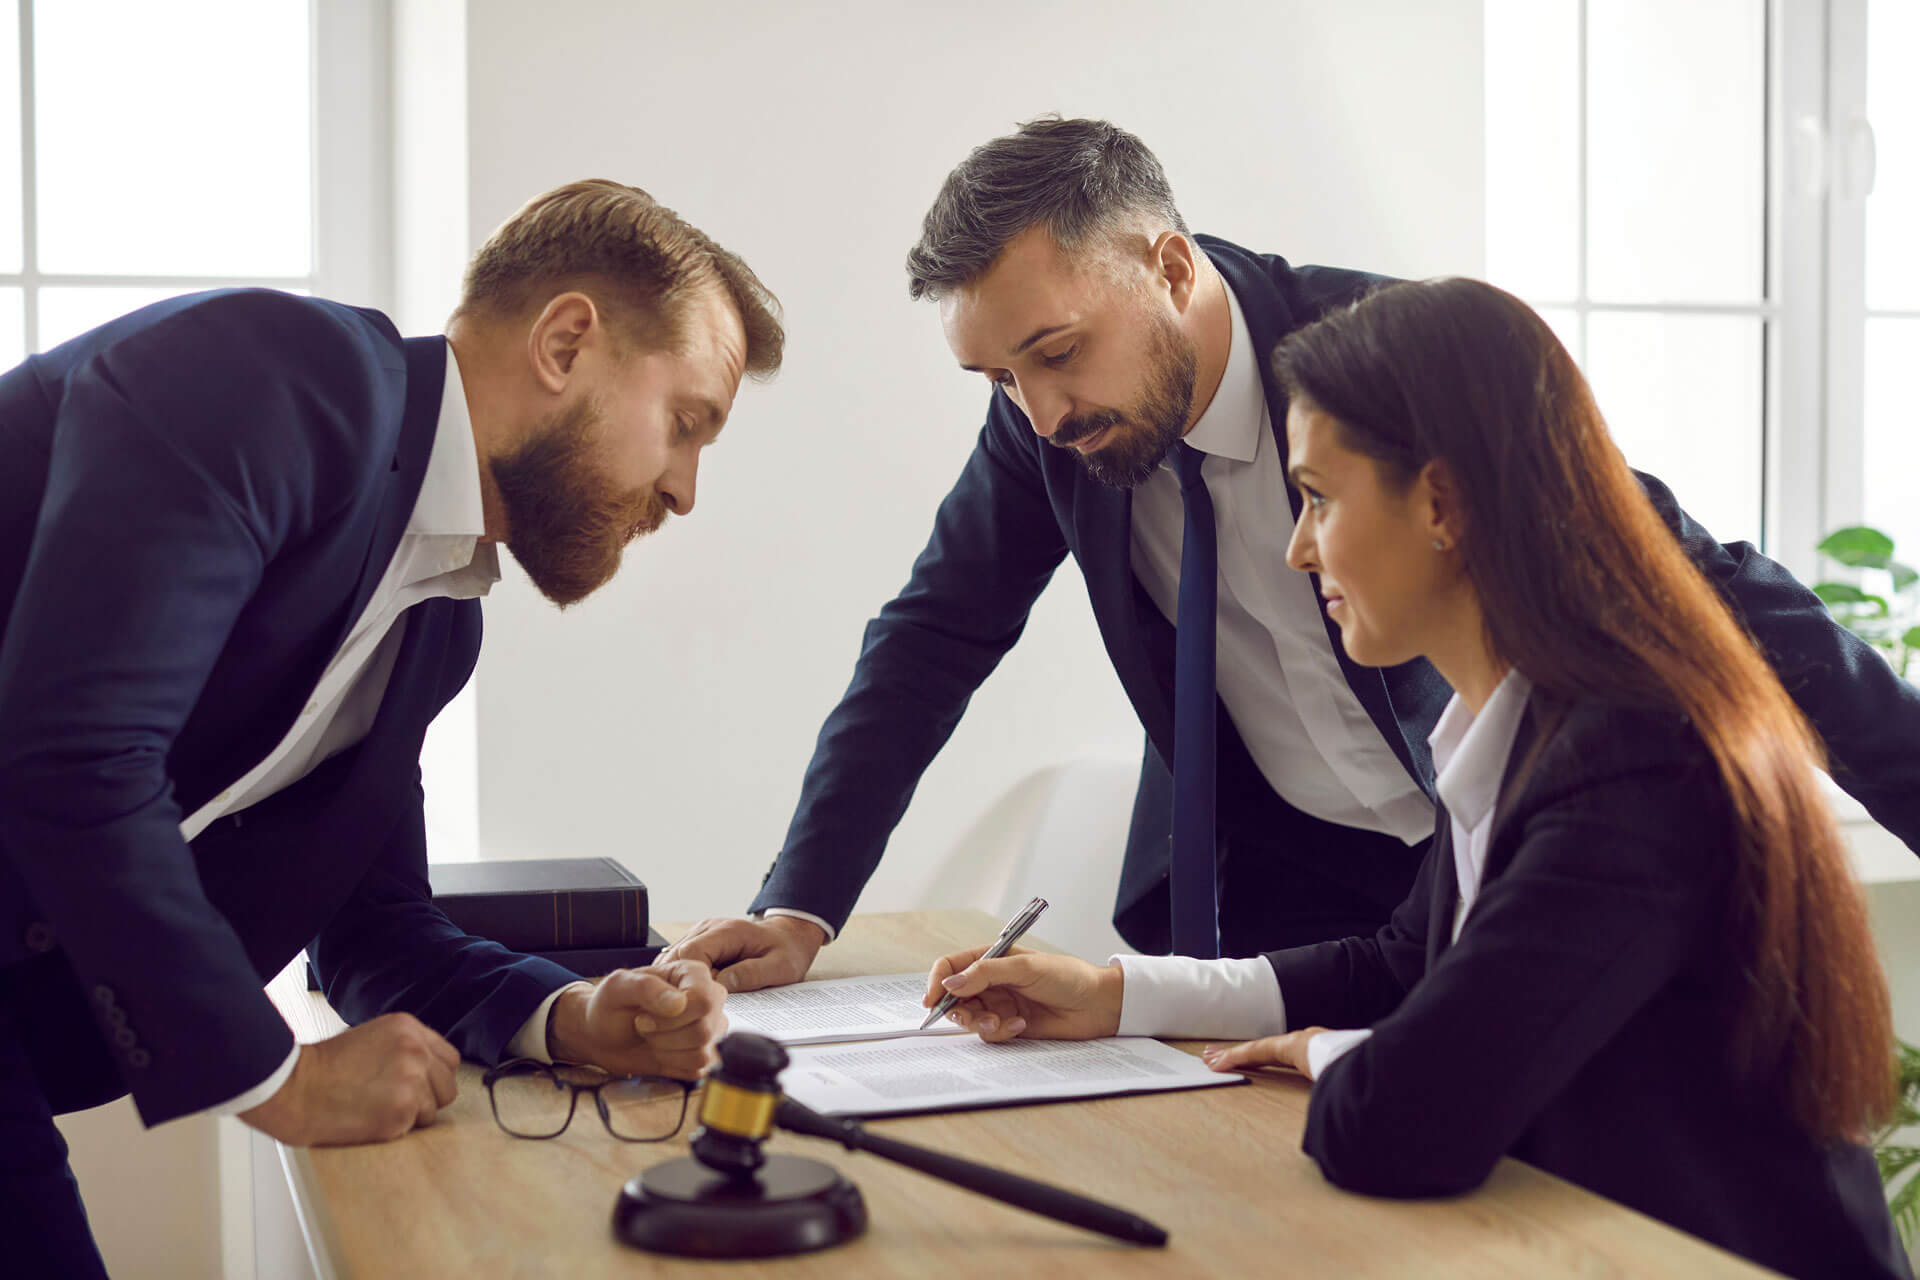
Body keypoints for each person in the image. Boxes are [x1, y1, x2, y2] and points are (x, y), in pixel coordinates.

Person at [667, 116, 1920, 988]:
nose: (1038, 412)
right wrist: (802, 902)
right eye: (998, 378)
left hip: (1484, 866)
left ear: (1169, 265)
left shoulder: (1384, 355)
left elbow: (1689, 577)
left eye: (1055, 351)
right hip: (1268, 896)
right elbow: (927, 645)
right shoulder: (1044, 429)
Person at [918, 277, 1912, 1279]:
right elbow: (1399, 963)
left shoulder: (1632, 763)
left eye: (1316, 497)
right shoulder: (1518, 723)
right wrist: (1111, 993)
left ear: (1441, 503)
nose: (1299, 549)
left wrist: (1322, 1053)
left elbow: (1401, 1121)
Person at [0, 179, 782, 1275]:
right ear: (565, 341)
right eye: (687, 422)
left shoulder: (432, 626)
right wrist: (283, 1076)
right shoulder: (272, 379)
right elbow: (75, 757)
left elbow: (375, 929)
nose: (688, 489)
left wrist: (571, 1014)